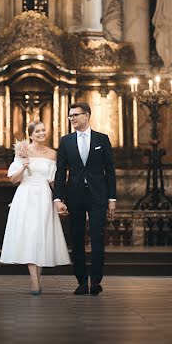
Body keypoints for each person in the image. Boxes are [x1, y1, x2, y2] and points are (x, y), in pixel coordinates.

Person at [53, 103, 117, 295]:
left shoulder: (102, 139)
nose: (72, 118)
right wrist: (58, 198)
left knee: (97, 237)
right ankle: (81, 281)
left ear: (87, 115)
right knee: (77, 239)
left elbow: (110, 171)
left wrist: (112, 198)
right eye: (70, 116)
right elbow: (60, 172)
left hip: (98, 195)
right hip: (75, 195)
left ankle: (96, 281)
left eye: (75, 115)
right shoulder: (66, 141)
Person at [0, 121, 71, 295]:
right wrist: (23, 168)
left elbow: (55, 181)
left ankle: (37, 281)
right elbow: (13, 180)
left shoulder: (53, 154)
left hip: (44, 196)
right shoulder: (23, 151)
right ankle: (34, 282)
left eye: (43, 130)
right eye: (37, 131)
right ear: (30, 135)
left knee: (41, 237)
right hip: (25, 196)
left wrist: (60, 200)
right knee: (30, 236)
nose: (41, 133)